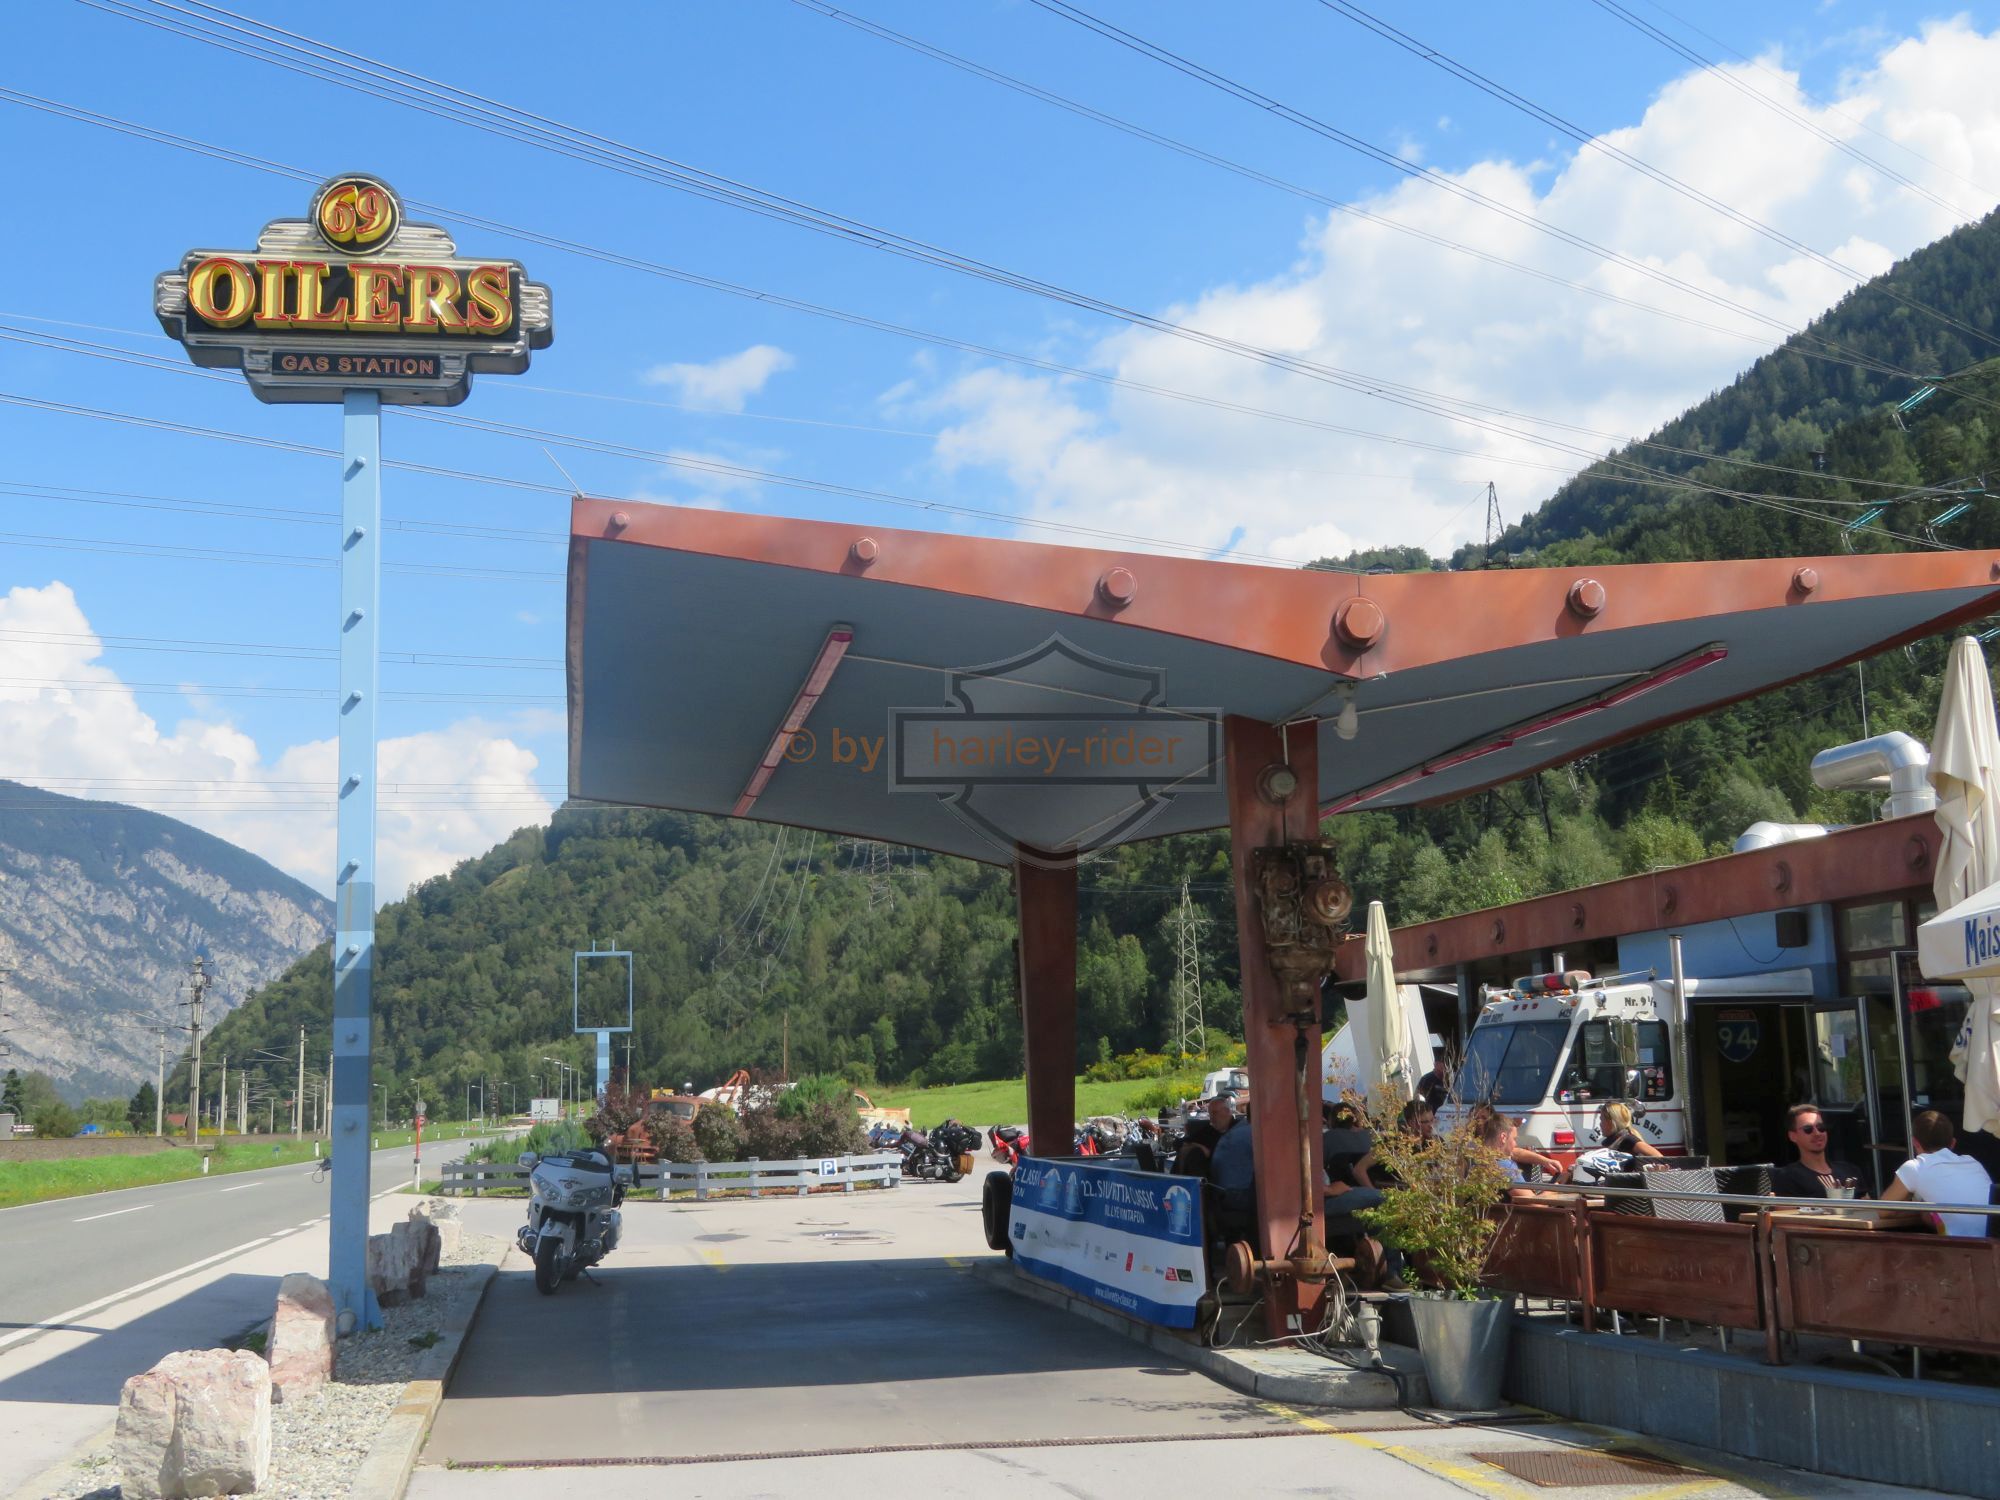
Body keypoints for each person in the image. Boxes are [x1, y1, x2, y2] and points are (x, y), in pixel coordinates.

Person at [1883, 1109, 1995, 1236]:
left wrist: (1921, 1209)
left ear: (1915, 1143)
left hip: (1966, 1246)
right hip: (1993, 1241)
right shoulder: (1972, 1162)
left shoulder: (1916, 1167)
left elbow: (1883, 1211)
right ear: (1953, 1143)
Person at [1768, 1103, 1862, 1200]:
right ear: (1793, 1136)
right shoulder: (1787, 1177)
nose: (1817, 1133)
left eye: (1821, 1127)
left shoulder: (1850, 1170)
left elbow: (1869, 1206)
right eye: (1808, 1129)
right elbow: (1784, 1210)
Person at [1596, 1101, 1662, 1158]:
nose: (1600, 1124)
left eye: (1602, 1120)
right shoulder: (1613, 1141)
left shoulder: (1628, 1139)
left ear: (1611, 1122)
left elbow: (1659, 1157)